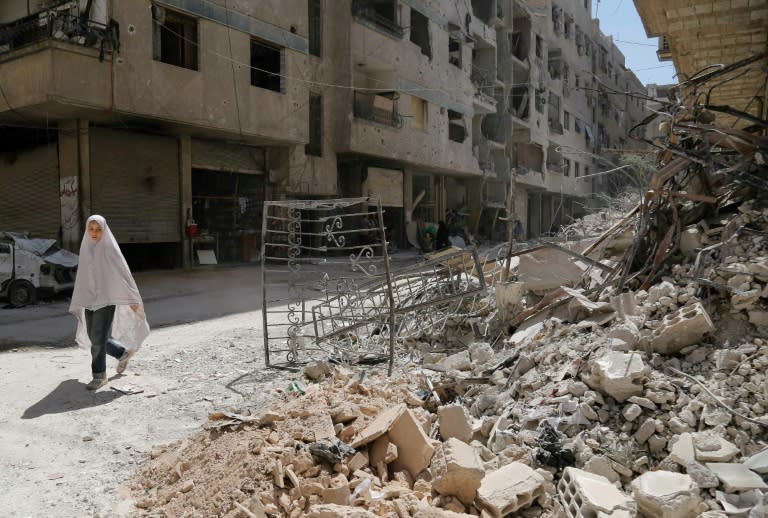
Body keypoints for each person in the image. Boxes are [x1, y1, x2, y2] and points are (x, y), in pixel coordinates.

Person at [69, 215, 150, 390]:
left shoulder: (109, 249)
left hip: (106, 299)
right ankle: (122, 354)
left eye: (98, 230)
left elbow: (122, 274)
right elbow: (83, 276)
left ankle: (99, 375)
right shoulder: (86, 248)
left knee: (98, 339)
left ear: (104, 231)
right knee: (94, 337)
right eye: (91, 229)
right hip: (90, 299)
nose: (94, 233)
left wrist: (131, 298)